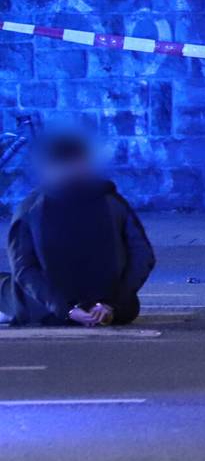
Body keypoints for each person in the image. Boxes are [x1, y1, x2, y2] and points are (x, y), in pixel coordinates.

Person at [0, 131, 155, 327]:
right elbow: (143, 256)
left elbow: (24, 270)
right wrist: (113, 304)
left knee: (9, 284)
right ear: (84, 165)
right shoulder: (113, 203)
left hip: (47, 313)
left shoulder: (30, 208)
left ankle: (9, 312)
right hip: (112, 309)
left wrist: (67, 310)